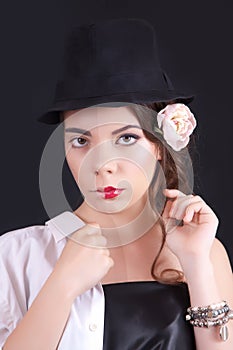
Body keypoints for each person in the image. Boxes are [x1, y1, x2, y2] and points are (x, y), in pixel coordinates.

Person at [0, 18, 233, 350]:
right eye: (81, 141)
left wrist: (196, 265)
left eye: (125, 138)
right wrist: (62, 285)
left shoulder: (204, 250)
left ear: (158, 145)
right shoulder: (16, 255)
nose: (103, 166)